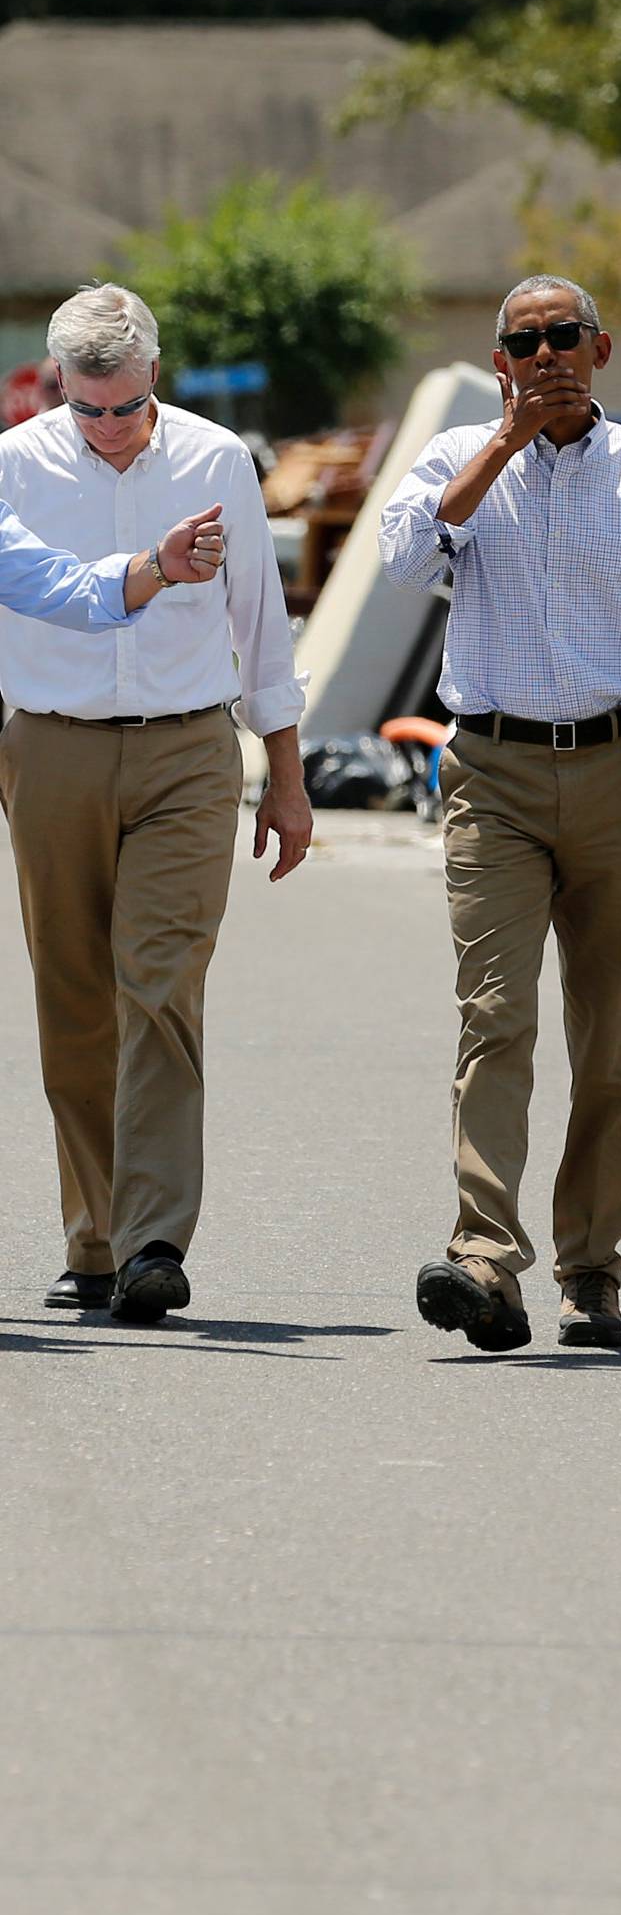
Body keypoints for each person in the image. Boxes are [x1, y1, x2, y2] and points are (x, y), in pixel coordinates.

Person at [380, 274, 621, 1355]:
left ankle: (590, 1268)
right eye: (524, 340)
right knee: (495, 1017)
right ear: (501, 358)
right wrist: (500, 448)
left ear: (599, 351)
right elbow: (407, 555)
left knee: (612, 1038)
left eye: (565, 336)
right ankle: (483, 1260)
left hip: (613, 775)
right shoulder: (461, 459)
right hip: (492, 774)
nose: (546, 352)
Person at [0, 283, 309, 1323]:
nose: (109, 429)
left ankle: (153, 1239)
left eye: (126, 407)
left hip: (186, 749)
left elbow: (261, 620)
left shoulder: (218, 458)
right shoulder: (15, 464)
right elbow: (31, 585)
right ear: (57, 387)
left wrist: (290, 774)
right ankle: (92, 1231)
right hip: (50, 747)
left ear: (155, 381)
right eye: (88, 409)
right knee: (75, 999)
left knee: (161, 979)